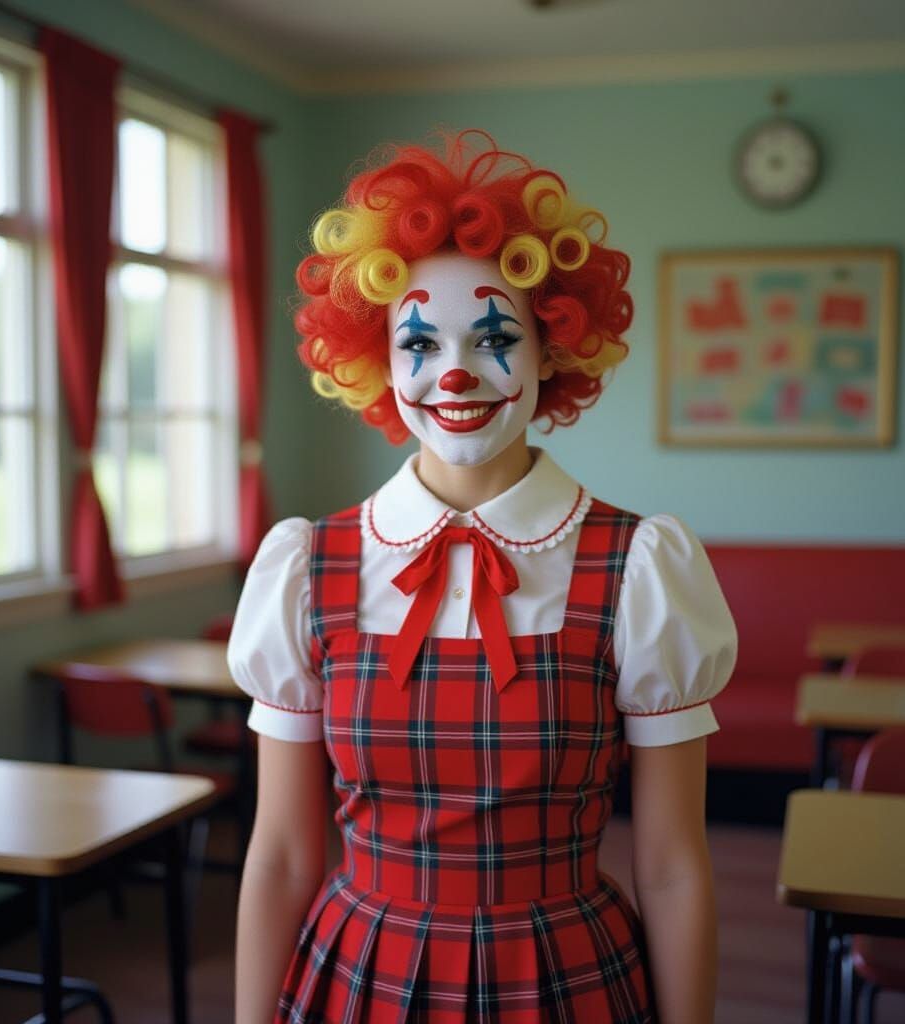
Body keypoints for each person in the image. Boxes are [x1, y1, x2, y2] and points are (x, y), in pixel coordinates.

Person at [229, 130, 738, 1024]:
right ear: (379, 364)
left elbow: (670, 865)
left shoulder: (641, 567)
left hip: (564, 977)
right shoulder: (306, 567)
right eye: (418, 343)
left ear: (554, 353)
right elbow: (278, 853)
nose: (455, 371)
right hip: (359, 972)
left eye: (496, 335)